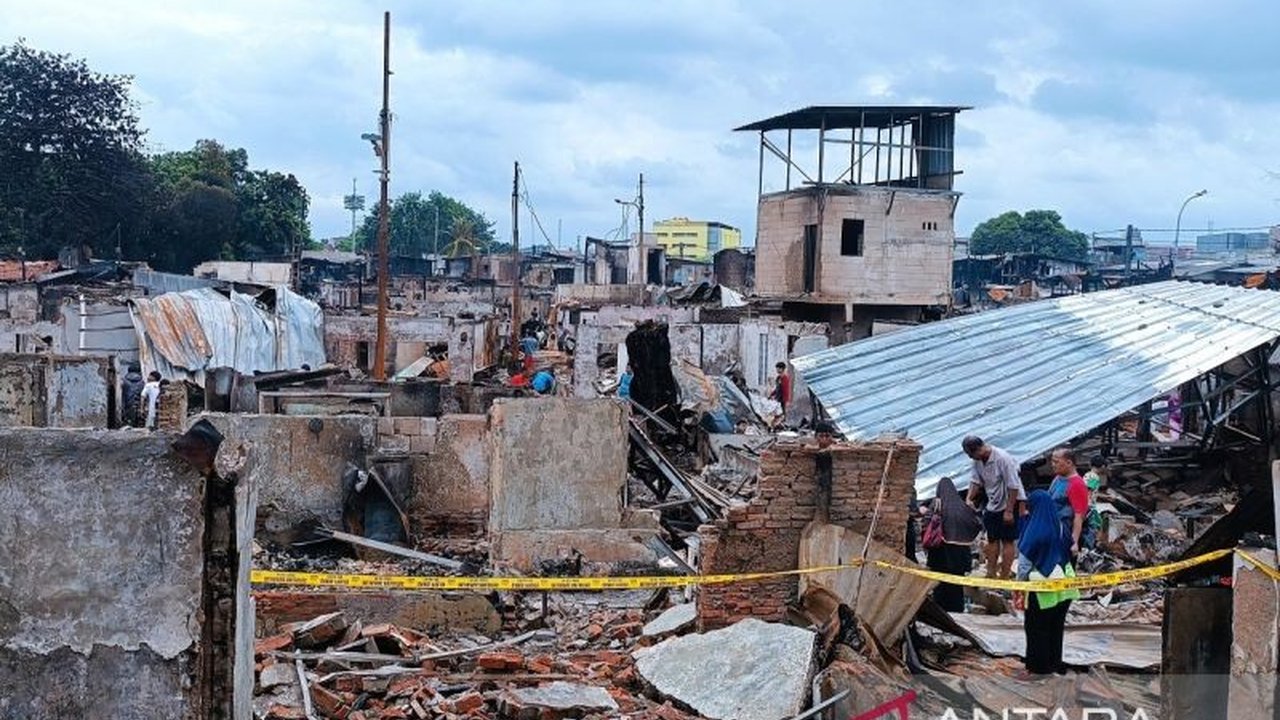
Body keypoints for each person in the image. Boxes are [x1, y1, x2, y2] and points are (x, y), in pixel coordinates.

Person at [1016, 489, 1080, 675]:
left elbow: (1024, 565)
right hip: (1065, 586)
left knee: (1037, 627)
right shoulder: (1061, 528)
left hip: (1042, 587)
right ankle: (1054, 662)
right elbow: (1071, 550)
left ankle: (1039, 666)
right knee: (1056, 626)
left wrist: (1019, 587)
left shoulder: (1034, 531)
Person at [962, 435, 1027, 579]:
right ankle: (991, 572)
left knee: (1007, 540)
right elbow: (975, 481)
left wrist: (1009, 511)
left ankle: (1005, 574)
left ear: (978, 449)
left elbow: (1013, 486)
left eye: (971, 454)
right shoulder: (978, 461)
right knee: (992, 539)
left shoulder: (1003, 459)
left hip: (1009, 501)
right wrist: (969, 498)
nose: (971, 458)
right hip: (992, 503)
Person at [926, 476, 983, 612]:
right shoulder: (963, 507)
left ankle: (941, 610)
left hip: (941, 552)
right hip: (960, 554)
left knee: (940, 584)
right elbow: (976, 524)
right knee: (956, 585)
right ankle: (957, 609)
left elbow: (927, 524)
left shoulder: (937, 505)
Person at [1047, 447, 1089, 558]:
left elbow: (1079, 515)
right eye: (1052, 461)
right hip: (1052, 529)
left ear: (1069, 463)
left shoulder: (1077, 484)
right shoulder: (1058, 478)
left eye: (1056, 462)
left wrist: (1074, 542)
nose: (1053, 465)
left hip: (1064, 532)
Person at [1081, 455, 1108, 549]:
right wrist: (1087, 506)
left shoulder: (1087, 474)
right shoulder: (1094, 477)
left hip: (1085, 505)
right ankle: (1088, 547)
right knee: (1094, 526)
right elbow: (1088, 490)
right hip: (1089, 507)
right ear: (1103, 466)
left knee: (1091, 525)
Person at [121, 363, 145, 428]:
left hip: (127, 401)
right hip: (138, 401)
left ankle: (128, 423)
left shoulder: (124, 380)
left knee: (127, 415)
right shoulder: (142, 381)